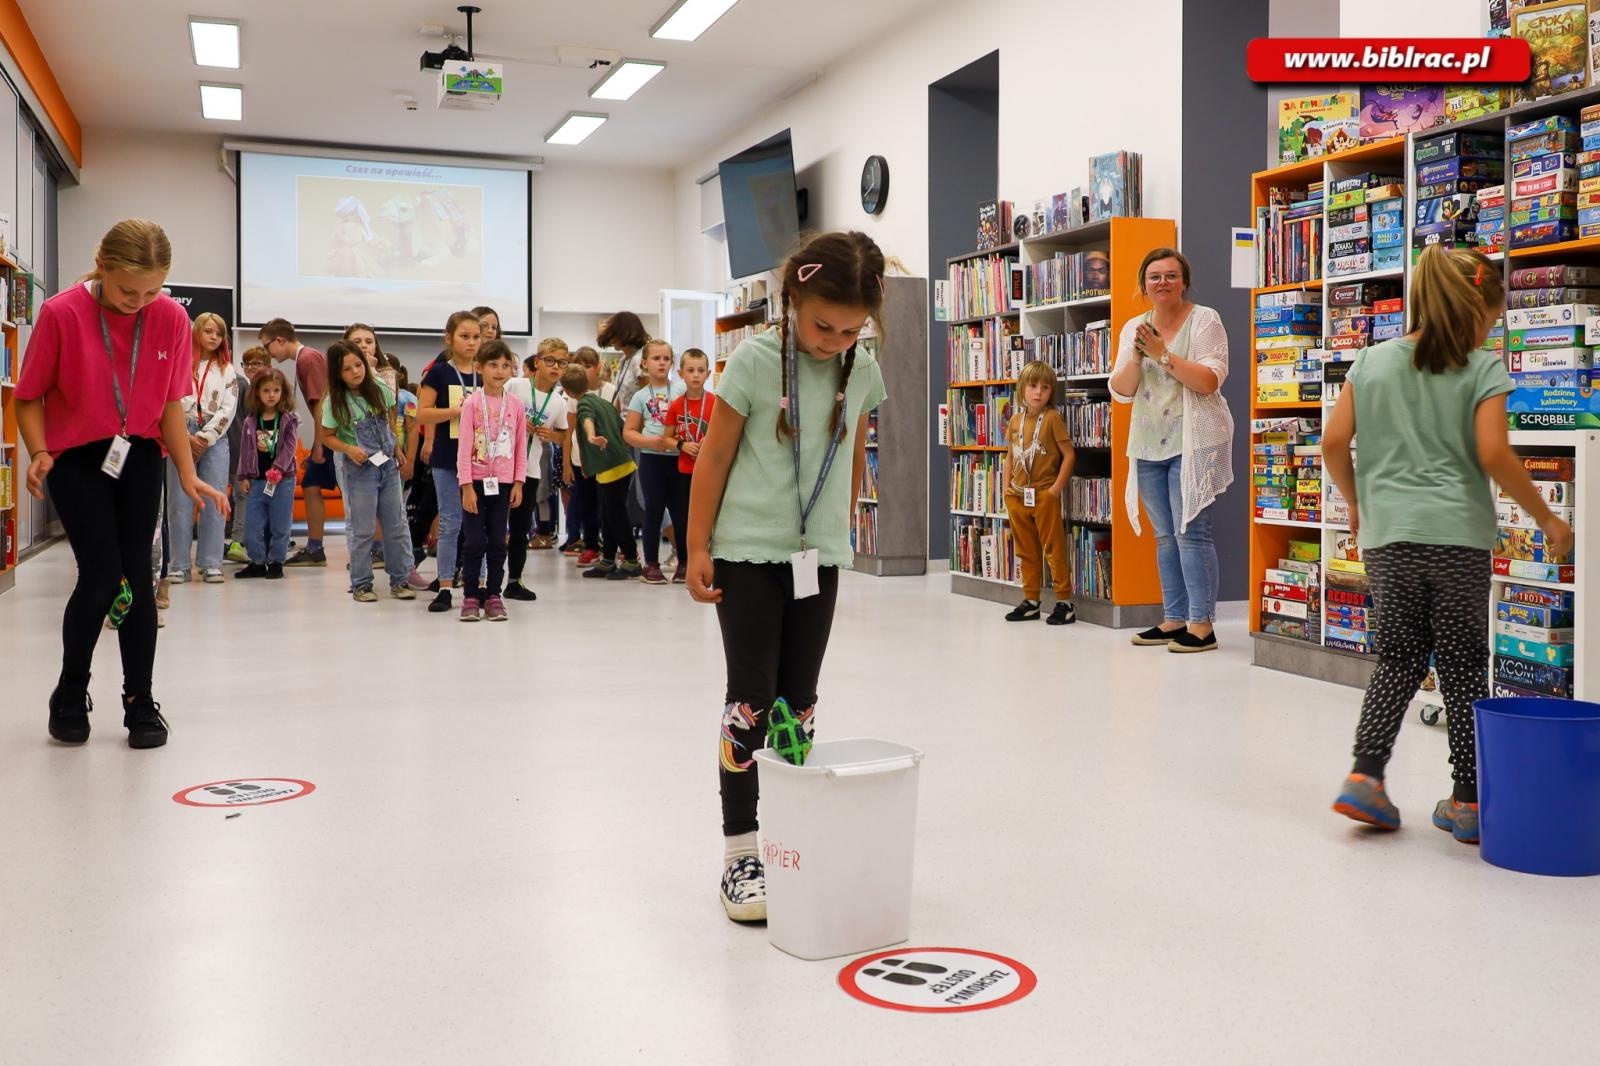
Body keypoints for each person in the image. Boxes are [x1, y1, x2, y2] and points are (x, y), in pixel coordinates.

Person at [1325, 247, 1575, 844]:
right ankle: (1468, 800)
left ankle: (1366, 777)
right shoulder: (1481, 366)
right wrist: (1547, 519)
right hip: (1457, 540)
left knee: (1398, 657)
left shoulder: (1371, 361)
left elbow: (1334, 442)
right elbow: (1492, 453)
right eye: (1492, 319)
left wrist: (1356, 504)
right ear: (1475, 312)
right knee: (1463, 667)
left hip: (1388, 537)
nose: (1491, 330)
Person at [685, 231, 888, 921]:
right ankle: (740, 851)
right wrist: (695, 544)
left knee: (797, 703)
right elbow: (713, 457)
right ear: (791, 299)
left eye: (850, 329)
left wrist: (840, 531)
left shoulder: (862, 366)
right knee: (750, 698)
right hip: (745, 551)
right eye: (821, 324)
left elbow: (854, 446)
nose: (833, 339)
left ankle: (791, 840)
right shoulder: (752, 358)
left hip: (817, 557)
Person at [16, 218, 231, 749]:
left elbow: (169, 407)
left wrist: (185, 471)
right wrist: (39, 452)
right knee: (102, 574)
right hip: (77, 458)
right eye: (126, 290)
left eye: (152, 291)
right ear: (103, 267)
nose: (139, 301)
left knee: (136, 572)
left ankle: (140, 700)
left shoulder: (171, 321)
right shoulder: (61, 312)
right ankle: (70, 691)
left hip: (137, 454)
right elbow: (28, 395)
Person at [1108, 247, 1233, 653]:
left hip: (1193, 441)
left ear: (1184, 281)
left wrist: (1163, 355)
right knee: (1165, 536)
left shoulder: (1206, 319)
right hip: (1147, 444)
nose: (1162, 282)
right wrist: (1136, 355)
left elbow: (1210, 381)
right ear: (1143, 284)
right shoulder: (1134, 327)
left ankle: (1202, 625)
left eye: (1171, 276)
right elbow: (1123, 391)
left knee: (1191, 533)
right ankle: (1174, 618)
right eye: (1154, 276)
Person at [318, 342, 417, 603]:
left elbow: (389, 416)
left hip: (387, 467)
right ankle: (362, 584)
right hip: (360, 470)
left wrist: (396, 447)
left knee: (395, 526)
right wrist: (348, 448)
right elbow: (327, 436)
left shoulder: (379, 390)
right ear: (337, 374)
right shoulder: (335, 401)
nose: (355, 372)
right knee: (363, 531)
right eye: (347, 369)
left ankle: (399, 580)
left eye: (359, 365)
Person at [456, 340, 529, 621]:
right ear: (479, 368)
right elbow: (463, 448)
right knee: (474, 540)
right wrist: (465, 487)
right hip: (475, 483)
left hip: (504, 483)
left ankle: (494, 595)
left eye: (505, 365)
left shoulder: (516, 405)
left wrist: (519, 482)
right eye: (493, 365)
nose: (500, 371)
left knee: (498, 541)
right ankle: (471, 595)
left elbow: (521, 446)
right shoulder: (472, 404)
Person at [416, 310, 483, 612]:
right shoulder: (440, 372)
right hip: (447, 456)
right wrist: (457, 412)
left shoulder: (486, 372)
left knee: (478, 522)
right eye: (464, 336)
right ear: (449, 338)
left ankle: (480, 584)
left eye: (476, 337)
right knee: (450, 522)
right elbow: (422, 412)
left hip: (481, 458)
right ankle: (444, 586)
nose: (471, 343)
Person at [165, 311, 237, 585]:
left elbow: (228, 409)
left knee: (215, 499)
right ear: (196, 333)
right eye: (208, 331)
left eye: (219, 333)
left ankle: (211, 563)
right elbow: (170, 401)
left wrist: (205, 438)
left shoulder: (227, 370)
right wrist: (184, 437)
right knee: (180, 501)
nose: (214, 337)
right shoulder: (179, 363)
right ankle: (179, 564)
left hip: (214, 439)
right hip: (181, 431)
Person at [1001, 360, 1076, 625]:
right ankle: (1031, 599)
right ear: (1022, 388)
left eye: (1045, 388)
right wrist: (1006, 488)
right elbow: (1010, 455)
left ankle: (1064, 601)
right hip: (1017, 495)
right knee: (1026, 550)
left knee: (1053, 547)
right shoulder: (1015, 420)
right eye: (1032, 386)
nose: (1038, 393)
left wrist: (1055, 489)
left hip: (1044, 494)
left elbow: (1069, 455)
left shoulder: (1053, 419)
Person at [260, 318, 333, 566]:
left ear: (280, 340)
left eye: (268, 346)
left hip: (333, 434)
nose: (268, 352)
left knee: (314, 485)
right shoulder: (308, 357)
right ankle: (315, 547)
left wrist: (320, 443)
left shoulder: (307, 359)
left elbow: (321, 403)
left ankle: (316, 548)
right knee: (313, 484)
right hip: (329, 432)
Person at [505, 341, 571, 600]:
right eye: (551, 361)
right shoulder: (516, 386)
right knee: (490, 526)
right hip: (500, 465)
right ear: (538, 362)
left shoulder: (558, 403)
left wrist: (550, 434)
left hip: (529, 470)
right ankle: (472, 576)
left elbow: (563, 436)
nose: (556, 367)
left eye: (562, 363)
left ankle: (514, 581)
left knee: (520, 530)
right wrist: (519, 422)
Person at [563, 365, 640, 580]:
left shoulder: (584, 405)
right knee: (607, 514)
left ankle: (632, 560)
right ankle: (607, 559)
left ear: (567, 392)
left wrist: (591, 436)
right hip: (620, 464)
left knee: (615, 515)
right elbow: (619, 425)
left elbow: (587, 419)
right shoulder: (603, 403)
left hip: (611, 467)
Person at [623, 339, 688, 585]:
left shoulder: (682, 391)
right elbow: (629, 432)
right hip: (652, 460)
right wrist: (651, 442)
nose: (661, 363)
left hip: (679, 460)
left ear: (672, 363)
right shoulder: (640, 397)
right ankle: (651, 564)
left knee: (682, 513)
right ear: (644, 363)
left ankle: (684, 562)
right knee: (654, 511)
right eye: (656, 358)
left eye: (666, 358)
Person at [233, 367, 299, 580]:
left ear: (283, 392)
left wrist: (278, 469)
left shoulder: (288, 420)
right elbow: (245, 450)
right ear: (258, 394)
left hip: (283, 481)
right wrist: (244, 476)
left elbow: (290, 448)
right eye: (267, 390)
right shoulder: (250, 422)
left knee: (280, 524)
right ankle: (257, 561)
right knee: (253, 525)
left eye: (276, 390)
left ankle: (277, 562)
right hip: (257, 481)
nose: (271, 395)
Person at [661, 348, 716, 585]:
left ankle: (713, 560)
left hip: (709, 471)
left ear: (708, 373)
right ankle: (685, 561)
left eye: (701, 371)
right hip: (683, 470)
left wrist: (708, 442)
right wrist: (682, 444)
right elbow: (667, 438)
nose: (696, 375)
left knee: (712, 517)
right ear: (681, 373)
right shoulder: (675, 405)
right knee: (683, 518)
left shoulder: (715, 403)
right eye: (690, 370)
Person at [563, 346, 613, 566]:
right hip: (580, 460)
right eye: (580, 365)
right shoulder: (573, 396)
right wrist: (566, 464)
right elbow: (568, 432)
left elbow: (615, 427)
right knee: (586, 504)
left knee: (609, 504)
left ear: (598, 367)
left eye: (588, 366)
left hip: (606, 459)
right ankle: (590, 545)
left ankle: (611, 546)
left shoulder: (611, 391)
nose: (583, 370)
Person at [224, 345, 272, 565]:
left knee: (250, 497)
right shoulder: (242, 385)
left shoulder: (267, 390)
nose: (251, 368)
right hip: (238, 450)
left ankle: (253, 541)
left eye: (257, 363)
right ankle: (238, 542)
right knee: (242, 496)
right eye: (248, 363)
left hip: (257, 453)